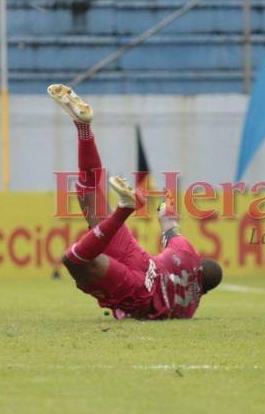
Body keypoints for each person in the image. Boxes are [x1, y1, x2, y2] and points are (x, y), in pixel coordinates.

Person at [48, 84, 222, 320]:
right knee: (75, 261)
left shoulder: (187, 251)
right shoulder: (189, 308)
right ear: (204, 290)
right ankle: (123, 209)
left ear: (199, 263)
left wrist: (164, 203)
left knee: (89, 190)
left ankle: (84, 128)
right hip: (140, 290)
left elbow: (169, 225)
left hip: (142, 261)